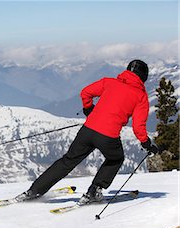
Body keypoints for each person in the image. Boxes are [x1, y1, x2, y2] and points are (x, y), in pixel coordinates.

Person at [19, 59, 159, 205]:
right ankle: (94, 191)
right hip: (108, 136)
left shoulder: (109, 82)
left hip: (87, 131)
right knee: (116, 159)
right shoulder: (140, 96)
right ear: (143, 77)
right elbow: (138, 127)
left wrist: (88, 109)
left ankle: (34, 190)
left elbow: (86, 92)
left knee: (68, 161)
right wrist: (147, 143)